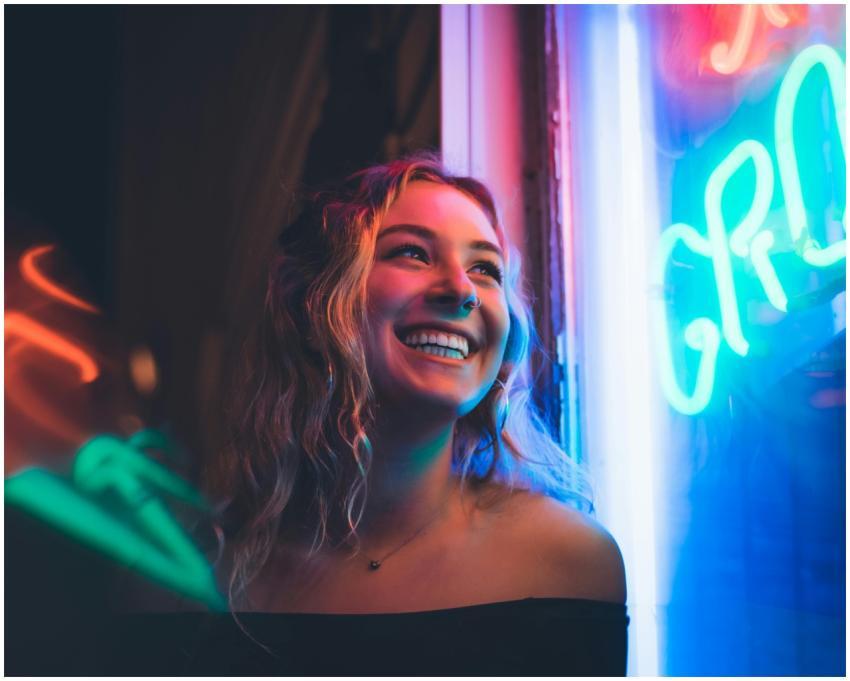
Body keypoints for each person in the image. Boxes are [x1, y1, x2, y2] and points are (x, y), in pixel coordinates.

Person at [153, 152, 628, 675]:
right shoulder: (188, 575)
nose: (462, 291)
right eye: (411, 253)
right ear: (314, 304)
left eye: (485, 268)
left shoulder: (568, 563)